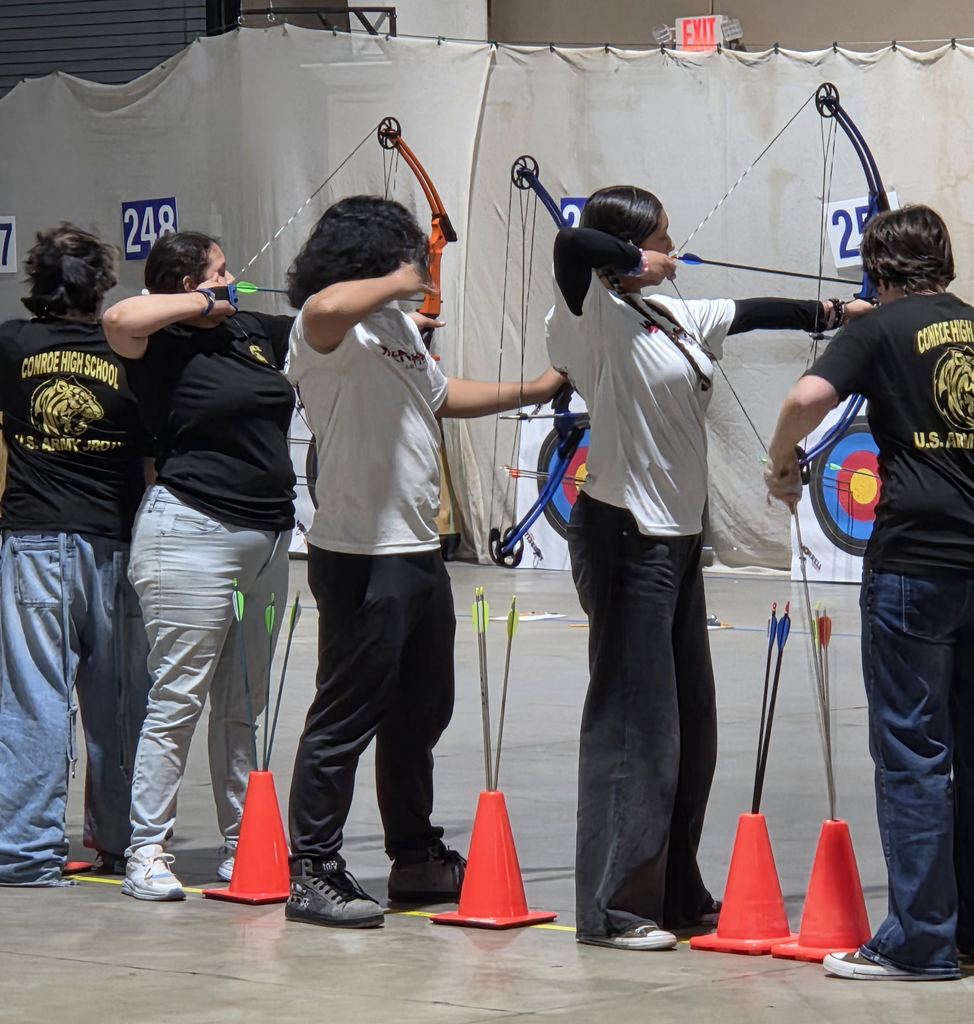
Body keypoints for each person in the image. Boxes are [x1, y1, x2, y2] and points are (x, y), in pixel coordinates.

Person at [545, 185, 873, 951]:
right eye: (658, 237)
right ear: (628, 247)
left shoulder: (673, 317)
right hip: (625, 534)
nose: (671, 249)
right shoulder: (589, 314)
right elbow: (572, 247)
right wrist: (635, 260)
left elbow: (752, 312)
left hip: (679, 540)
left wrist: (837, 316)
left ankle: (674, 889)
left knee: (693, 725)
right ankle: (613, 907)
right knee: (636, 725)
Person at [284, 195, 565, 928]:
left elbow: (438, 396)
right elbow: (327, 304)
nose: (418, 267)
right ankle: (312, 868)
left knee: (419, 714)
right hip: (359, 555)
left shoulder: (395, 326)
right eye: (407, 252)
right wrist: (403, 276)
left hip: (415, 551)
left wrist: (532, 390)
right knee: (344, 718)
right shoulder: (324, 326)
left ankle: (415, 857)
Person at [765, 205, 973, 982]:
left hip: (916, 561)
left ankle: (920, 942)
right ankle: (964, 930)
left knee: (914, 754)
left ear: (877, 269)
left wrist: (781, 467)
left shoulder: (881, 329)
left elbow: (803, 399)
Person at [102, 232, 295, 900]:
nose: (233, 279)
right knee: (178, 697)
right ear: (188, 283)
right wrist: (194, 306)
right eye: (219, 271)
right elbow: (120, 318)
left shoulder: (253, 330)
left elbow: (322, 319)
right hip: (191, 530)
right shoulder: (162, 342)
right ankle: (146, 851)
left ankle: (243, 844)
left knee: (246, 704)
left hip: (268, 537)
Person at [0, 224, 151, 886]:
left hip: (34, 541)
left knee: (34, 698)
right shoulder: (128, 350)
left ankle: (26, 852)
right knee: (119, 702)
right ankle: (121, 842)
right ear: (101, 286)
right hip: (114, 541)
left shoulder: (11, 343)